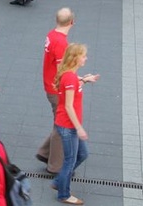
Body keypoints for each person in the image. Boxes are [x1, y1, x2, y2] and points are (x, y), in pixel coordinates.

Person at [53, 43, 99, 205]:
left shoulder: (70, 75)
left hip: (67, 125)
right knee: (70, 160)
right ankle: (63, 194)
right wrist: (78, 128)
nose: (86, 58)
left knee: (82, 154)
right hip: (68, 126)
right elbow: (68, 105)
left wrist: (85, 80)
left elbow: (71, 87)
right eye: (84, 56)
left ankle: (59, 181)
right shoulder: (70, 77)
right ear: (76, 58)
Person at [37, 7, 74, 174]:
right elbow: (61, 70)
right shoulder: (61, 43)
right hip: (56, 89)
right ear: (72, 23)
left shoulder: (51, 35)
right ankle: (55, 166)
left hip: (49, 84)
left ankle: (45, 152)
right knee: (61, 126)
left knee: (58, 124)